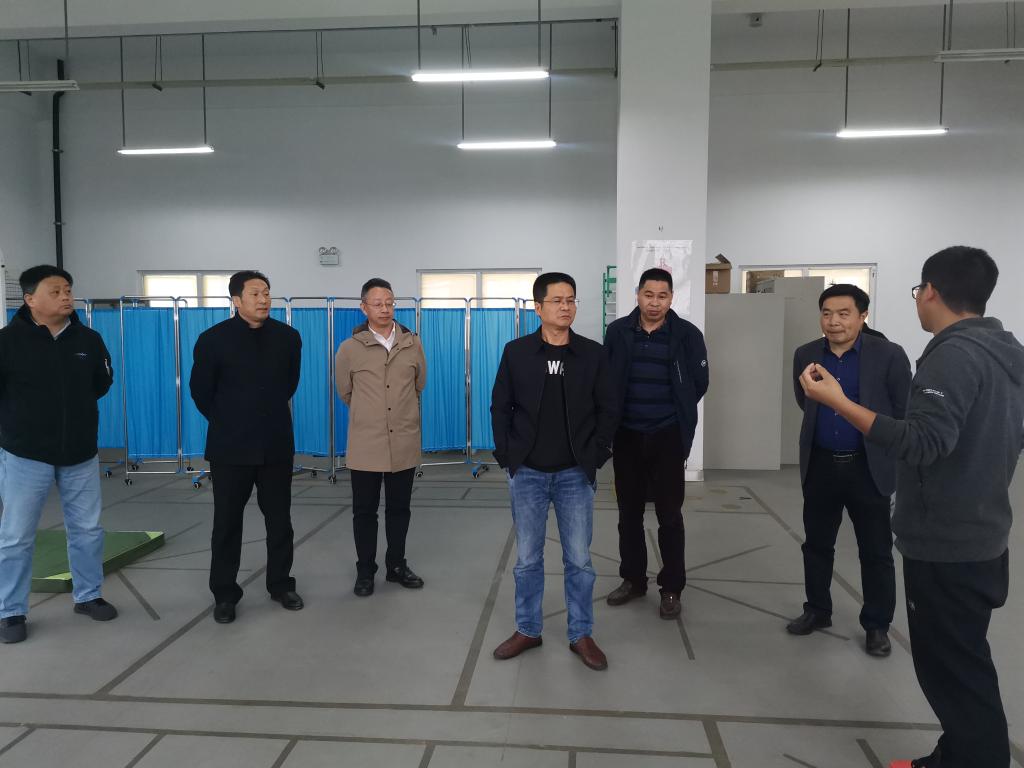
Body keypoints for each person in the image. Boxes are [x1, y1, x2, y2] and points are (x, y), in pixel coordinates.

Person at [798, 247, 1023, 768]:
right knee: (962, 662)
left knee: (954, 672)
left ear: (932, 292)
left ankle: (975, 759)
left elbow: (922, 441)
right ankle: (956, 753)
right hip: (982, 532)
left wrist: (838, 402)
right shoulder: (1005, 351)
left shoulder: (951, 355)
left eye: (919, 291)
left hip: (947, 542)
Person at [490, 272, 617, 670]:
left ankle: (581, 634)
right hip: (527, 472)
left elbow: (608, 408)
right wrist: (507, 456)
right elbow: (500, 406)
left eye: (571, 300)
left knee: (579, 560)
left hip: (574, 474)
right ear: (538, 307)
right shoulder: (517, 352)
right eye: (558, 300)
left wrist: (597, 455)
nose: (566, 307)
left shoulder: (592, 354)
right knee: (527, 559)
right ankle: (528, 629)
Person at [788, 284, 911, 657]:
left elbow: (901, 411)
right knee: (816, 544)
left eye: (844, 314)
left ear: (862, 316)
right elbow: (805, 401)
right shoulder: (806, 354)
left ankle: (876, 625)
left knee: (875, 551)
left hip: (868, 467)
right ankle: (817, 610)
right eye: (827, 313)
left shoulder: (888, 355)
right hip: (821, 464)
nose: (834, 321)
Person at [0, 265, 117, 644]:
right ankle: (10, 611)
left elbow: (101, 383)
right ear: (30, 299)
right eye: (56, 291)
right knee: (16, 536)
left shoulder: (89, 339)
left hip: (80, 452)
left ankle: (88, 595)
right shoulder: (7, 342)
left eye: (67, 289)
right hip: (25, 454)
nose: (66, 296)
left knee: (87, 530)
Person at [190, 270, 304, 624]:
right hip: (230, 448)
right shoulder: (213, 340)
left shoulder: (288, 338)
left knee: (280, 521)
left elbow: (289, 384)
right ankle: (225, 594)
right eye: (255, 293)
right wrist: (229, 420)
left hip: (275, 445)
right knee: (226, 524)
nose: (263, 299)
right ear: (236, 300)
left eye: (266, 292)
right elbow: (201, 391)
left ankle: (281, 584)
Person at [603, 267, 709, 619]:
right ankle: (633, 580)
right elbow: (607, 379)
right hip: (627, 435)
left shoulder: (687, 334)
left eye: (662, 296)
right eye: (649, 295)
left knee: (670, 516)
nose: (654, 302)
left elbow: (700, 381)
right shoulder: (618, 332)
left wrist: (676, 412)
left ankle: (672, 588)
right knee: (628, 514)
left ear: (671, 298)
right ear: (638, 294)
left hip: (667, 436)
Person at [335, 278, 427, 597]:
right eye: (377, 303)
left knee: (399, 509)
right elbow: (346, 392)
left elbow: (419, 384)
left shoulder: (412, 344)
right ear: (364, 308)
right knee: (364, 511)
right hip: (366, 444)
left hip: (403, 442)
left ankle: (396, 566)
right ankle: (365, 570)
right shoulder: (349, 349)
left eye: (389, 302)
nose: (385, 308)